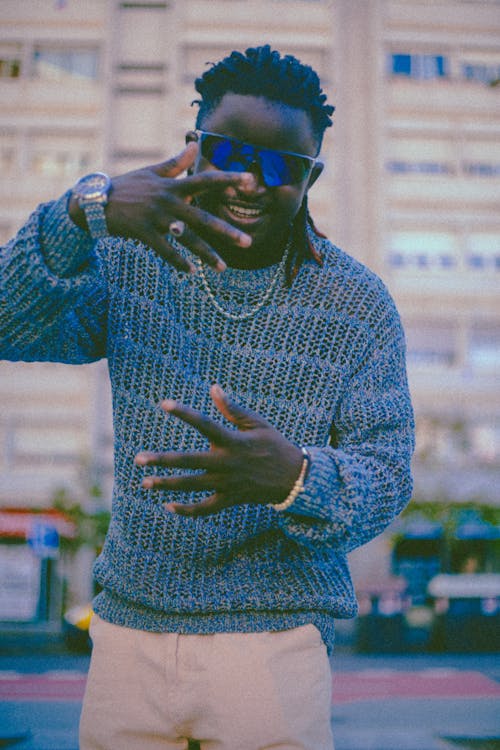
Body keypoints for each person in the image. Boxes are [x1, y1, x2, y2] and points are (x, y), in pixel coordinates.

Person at [0, 45, 414, 750]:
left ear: (312, 176)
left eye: (282, 166)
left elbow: (389, 473)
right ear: (194, 145)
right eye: (229, 153)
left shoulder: (357, 304)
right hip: (130, 630)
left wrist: (297, 480)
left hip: (275, 644)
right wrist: (82, 212)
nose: (250, 181)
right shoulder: (132, 256)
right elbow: (11, 322)